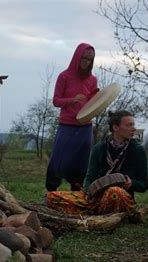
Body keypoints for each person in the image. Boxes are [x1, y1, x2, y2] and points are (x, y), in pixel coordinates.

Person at [45, 43, 99, 192]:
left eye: (90, 59)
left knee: (82, 163)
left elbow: (93, 101)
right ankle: (51, 193)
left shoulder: (92, 80)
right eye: (84, 58)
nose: (86, 62)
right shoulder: (64, 76)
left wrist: (99, 101)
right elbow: (56, 101)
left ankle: (76, 196)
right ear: (77, 56)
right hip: (67, 125)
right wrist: (72, 100)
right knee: (58, 160)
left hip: (86, 127)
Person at [83, 110, 148, 214]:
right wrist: (87, 193)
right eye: (129, 125)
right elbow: (90, 177)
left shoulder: (138, 150)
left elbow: (143, 184)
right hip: (97, 196)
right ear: (115, 127)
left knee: (114, 192)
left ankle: (100, 213)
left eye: (133, 124)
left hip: (121, 198)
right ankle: (93, 207)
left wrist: (131, 184)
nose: (134, 128)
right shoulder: (98, 148)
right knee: (54, 197)